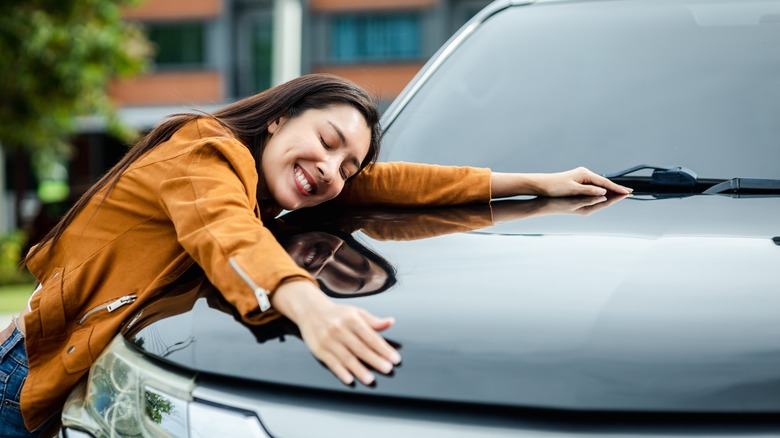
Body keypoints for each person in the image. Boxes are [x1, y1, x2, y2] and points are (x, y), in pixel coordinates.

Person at [0, 73, 631, 436]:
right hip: (23, 376)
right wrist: (308, 305)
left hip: (76, 375)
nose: (329, 170)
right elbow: (223, 234)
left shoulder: (275, 181)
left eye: (345, 165)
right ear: (279, 118)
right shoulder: (203, 152)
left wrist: (539, 183)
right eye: (326, 141)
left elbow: (400, 182)